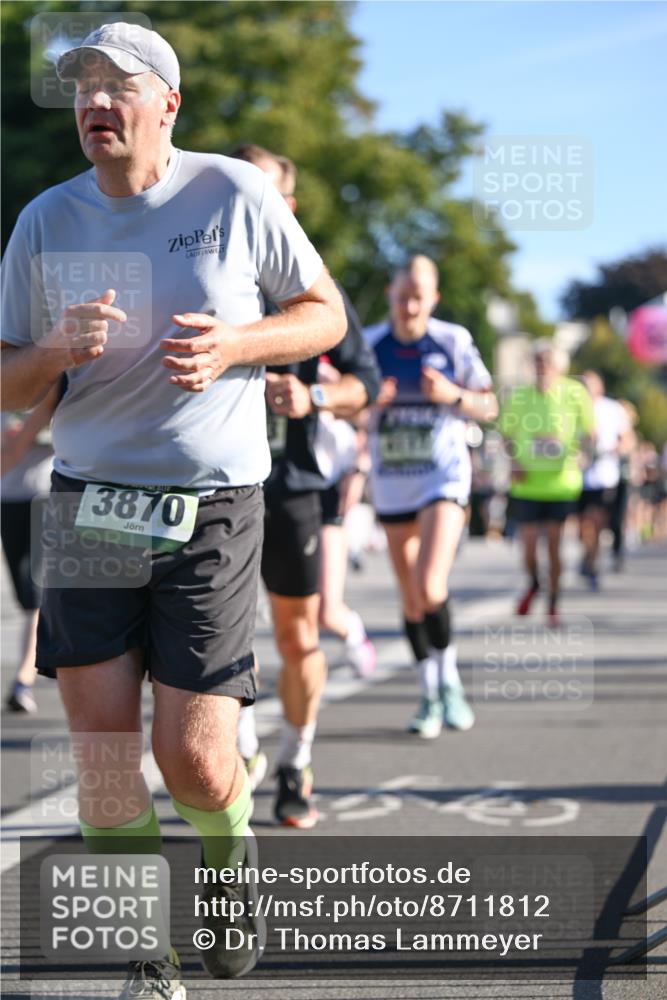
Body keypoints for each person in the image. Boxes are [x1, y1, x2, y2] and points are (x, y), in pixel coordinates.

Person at [1, 24, 346, 998]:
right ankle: (147, 957)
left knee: (192, 759)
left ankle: (228, 868)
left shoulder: (232, 195)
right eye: (80, 89)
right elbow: (5, 380)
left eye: (117, 86)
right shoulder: (45, 220)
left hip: (213, 505)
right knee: (105, 754)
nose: (93, 103)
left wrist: (238, 346)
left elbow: (326, 313)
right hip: (92, 502)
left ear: (168, 105)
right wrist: (53, 354)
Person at [231, 145, 380, 827]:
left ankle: (294, 760)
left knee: (296, 636)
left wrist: (312, 400)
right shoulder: (197, 274)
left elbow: (366, 385)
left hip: (287, 484)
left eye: (265, 191)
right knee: (203, 639)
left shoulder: (312, 287)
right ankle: (234, 744)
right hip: (203, 483)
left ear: (286, 206)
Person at [365, 255, 498, 738]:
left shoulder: (452, 341)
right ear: (390, 295)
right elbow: (345, 411)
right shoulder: (370, 344)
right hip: (392, 481)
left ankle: (450, 684)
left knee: (430, 585)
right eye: (402, 296)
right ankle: (429, 691)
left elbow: (488, 404)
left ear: (433, 299)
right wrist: (365, 403)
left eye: (419, 296)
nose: (410, 305)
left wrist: (452, 396)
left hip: (443, 479)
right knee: (410, 596)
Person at [498, 341, 594, 625]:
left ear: (559, 366)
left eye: (548, 362)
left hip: (560, 483)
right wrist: (514, 461)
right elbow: (506, 434)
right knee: (528, 548)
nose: (543, 367)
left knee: (553, 546)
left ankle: (553, 604)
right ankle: (534, 582)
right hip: (527, 484)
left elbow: (590, 432)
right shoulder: (518, 396)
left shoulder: (574, 392)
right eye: (538, 362)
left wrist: (581, 454)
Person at [1, 386, 60, 712]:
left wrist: (24, 436)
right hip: (8, 496)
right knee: (24, 596)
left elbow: (21, 443)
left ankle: (23, 679)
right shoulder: (8, 377)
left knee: (35, 589)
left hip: (45, 494)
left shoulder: (49, 379)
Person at [578, 371, 633, 588]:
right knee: (583, 526)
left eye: (589, 385)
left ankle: (592, 563)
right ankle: (588, 556)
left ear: (599, 387)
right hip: (576, 477)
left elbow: (627, 439)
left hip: (604, 476)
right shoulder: (572, 407)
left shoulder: (612, 409)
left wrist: (615, 450)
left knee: (596, 521)